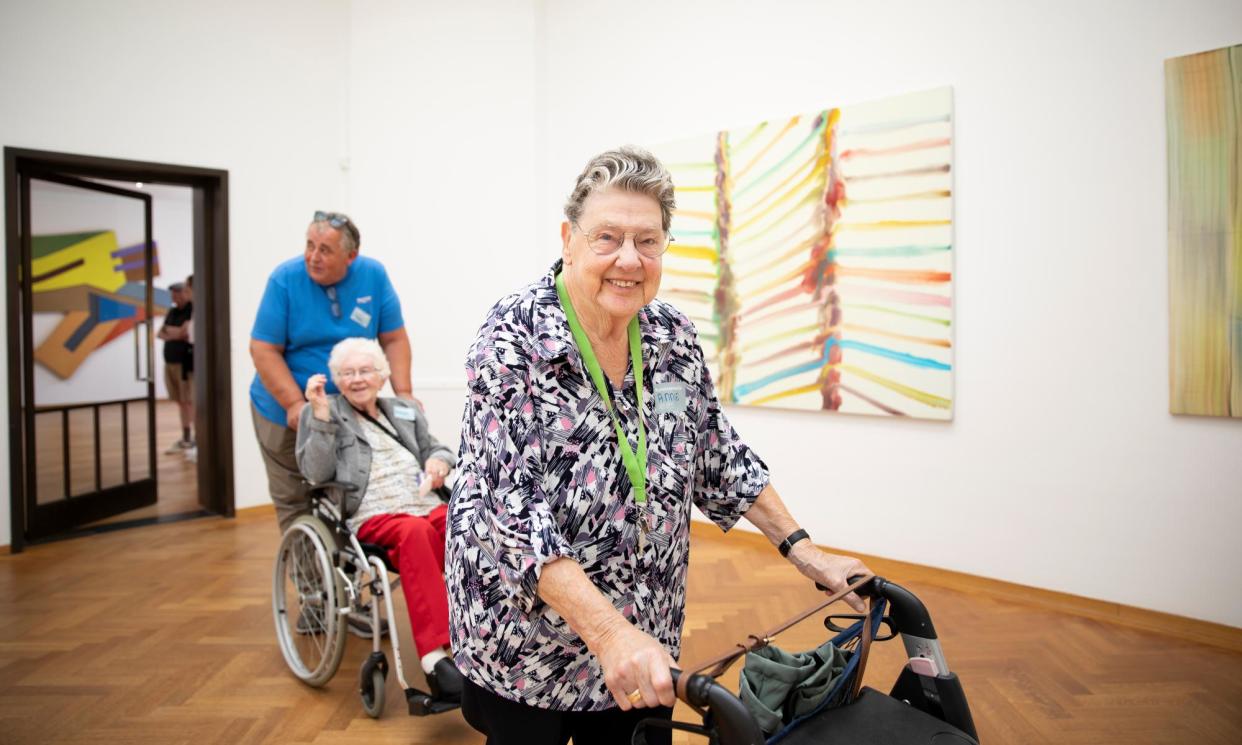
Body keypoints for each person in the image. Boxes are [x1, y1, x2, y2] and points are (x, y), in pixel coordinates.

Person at [445, 147, 873, 745]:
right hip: (529, 643)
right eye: (607, 238)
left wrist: (806, 552)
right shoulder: (514, 335)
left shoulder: (671, 336)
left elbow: (715, 454)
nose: (629, 259)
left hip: (643, 636)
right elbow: (510, 511)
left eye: (647, 241)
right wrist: (607, 632)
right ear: (569, 239)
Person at [296, 337, 464, 702]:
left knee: (468, 527)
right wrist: (321, 417)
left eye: (365, 371)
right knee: (417, 532)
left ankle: (479, 640)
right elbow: (315, 472)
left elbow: (434, 447)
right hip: (374, 513)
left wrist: (438, 463)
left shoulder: (402, 409)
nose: (357, 379)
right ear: (336, 379)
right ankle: (436, 660)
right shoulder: (322, 411)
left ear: (382, 375)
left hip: (422, 502)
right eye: (348, 372)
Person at [249, 211, 413, 537]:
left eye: (325, 249)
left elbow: (394, 338)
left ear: (350, 256)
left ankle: (343, 574)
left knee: (347, 491)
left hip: (348, 408)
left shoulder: (373, 275)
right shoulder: (284, 279)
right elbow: (263, 350)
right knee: (295, 497)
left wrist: (404, 392)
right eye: (310, 245)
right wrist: (294, 404)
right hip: (282, 409)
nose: (313, 256)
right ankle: (310, 583)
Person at [158, 277, 194, 459]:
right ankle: (185, 435)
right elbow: (160, 332)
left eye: (179, 293)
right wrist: (175, 332)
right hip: (170, 362)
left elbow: (186, 333)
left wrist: (172, 332)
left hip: (184, 364)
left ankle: (193, 438)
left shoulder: (191, 310)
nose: (175, 297)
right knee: (180, 401)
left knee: (188, 400)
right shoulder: (172, 311)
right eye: (173, 294)